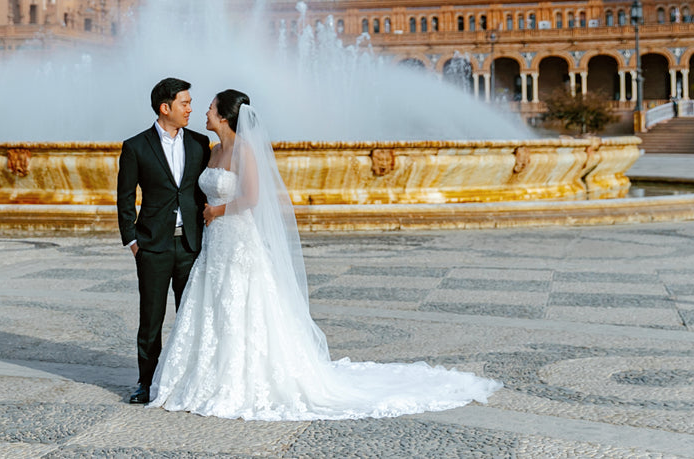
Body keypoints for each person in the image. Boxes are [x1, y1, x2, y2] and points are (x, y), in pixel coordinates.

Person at [150, 89, 502, 421]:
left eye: (211, 107)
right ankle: (205, 374)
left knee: (245, 302)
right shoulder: (212, 150)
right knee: (213, 304)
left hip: (239, 239)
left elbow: (253, 198)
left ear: (225, 116)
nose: (205, 111)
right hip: (216, 243)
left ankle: (244, 377)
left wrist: (217, 211)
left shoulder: (245, 152)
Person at [117, 77, 212, 405]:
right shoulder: (136, 146)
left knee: (191, 316)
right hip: (152, 246)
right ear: (165, 108)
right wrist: (132, 241)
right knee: (151, 318)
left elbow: (202, 192)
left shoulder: (200, 143)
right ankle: (145, 382)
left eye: (190, 103)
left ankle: (189, 380)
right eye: (185, 103)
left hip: (190, 245)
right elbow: (125, 197)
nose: (190, 109)